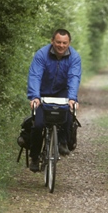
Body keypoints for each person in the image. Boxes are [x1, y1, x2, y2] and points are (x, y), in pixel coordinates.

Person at [27, 28, 82, 172]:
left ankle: (63, 142)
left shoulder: (74, 57)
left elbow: (74, 77)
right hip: (42, 93)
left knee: (68, 117)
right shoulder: (41, 55)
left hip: (62, 93)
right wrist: (34, 97)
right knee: (38, 125)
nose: (61, 46)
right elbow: (35, 75)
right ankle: (34, 157)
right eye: (58, 42)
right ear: (52, 41)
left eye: (65, 43)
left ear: (69, 43)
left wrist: (72, 98)